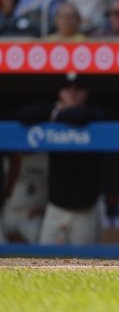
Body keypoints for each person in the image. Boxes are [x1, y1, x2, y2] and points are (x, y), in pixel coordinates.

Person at [17, 73, 105, 246]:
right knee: (46, 259)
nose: (72, 93)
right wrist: (56, 112)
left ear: (85, 93)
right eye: (67, 89)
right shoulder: (51, 110)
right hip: (56, 207)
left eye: (77, 89)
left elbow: (79, 117)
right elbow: (24, 115)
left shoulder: (93, 114)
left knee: (85, 261)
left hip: (85, 208)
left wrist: (57, 115)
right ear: (59, 93)